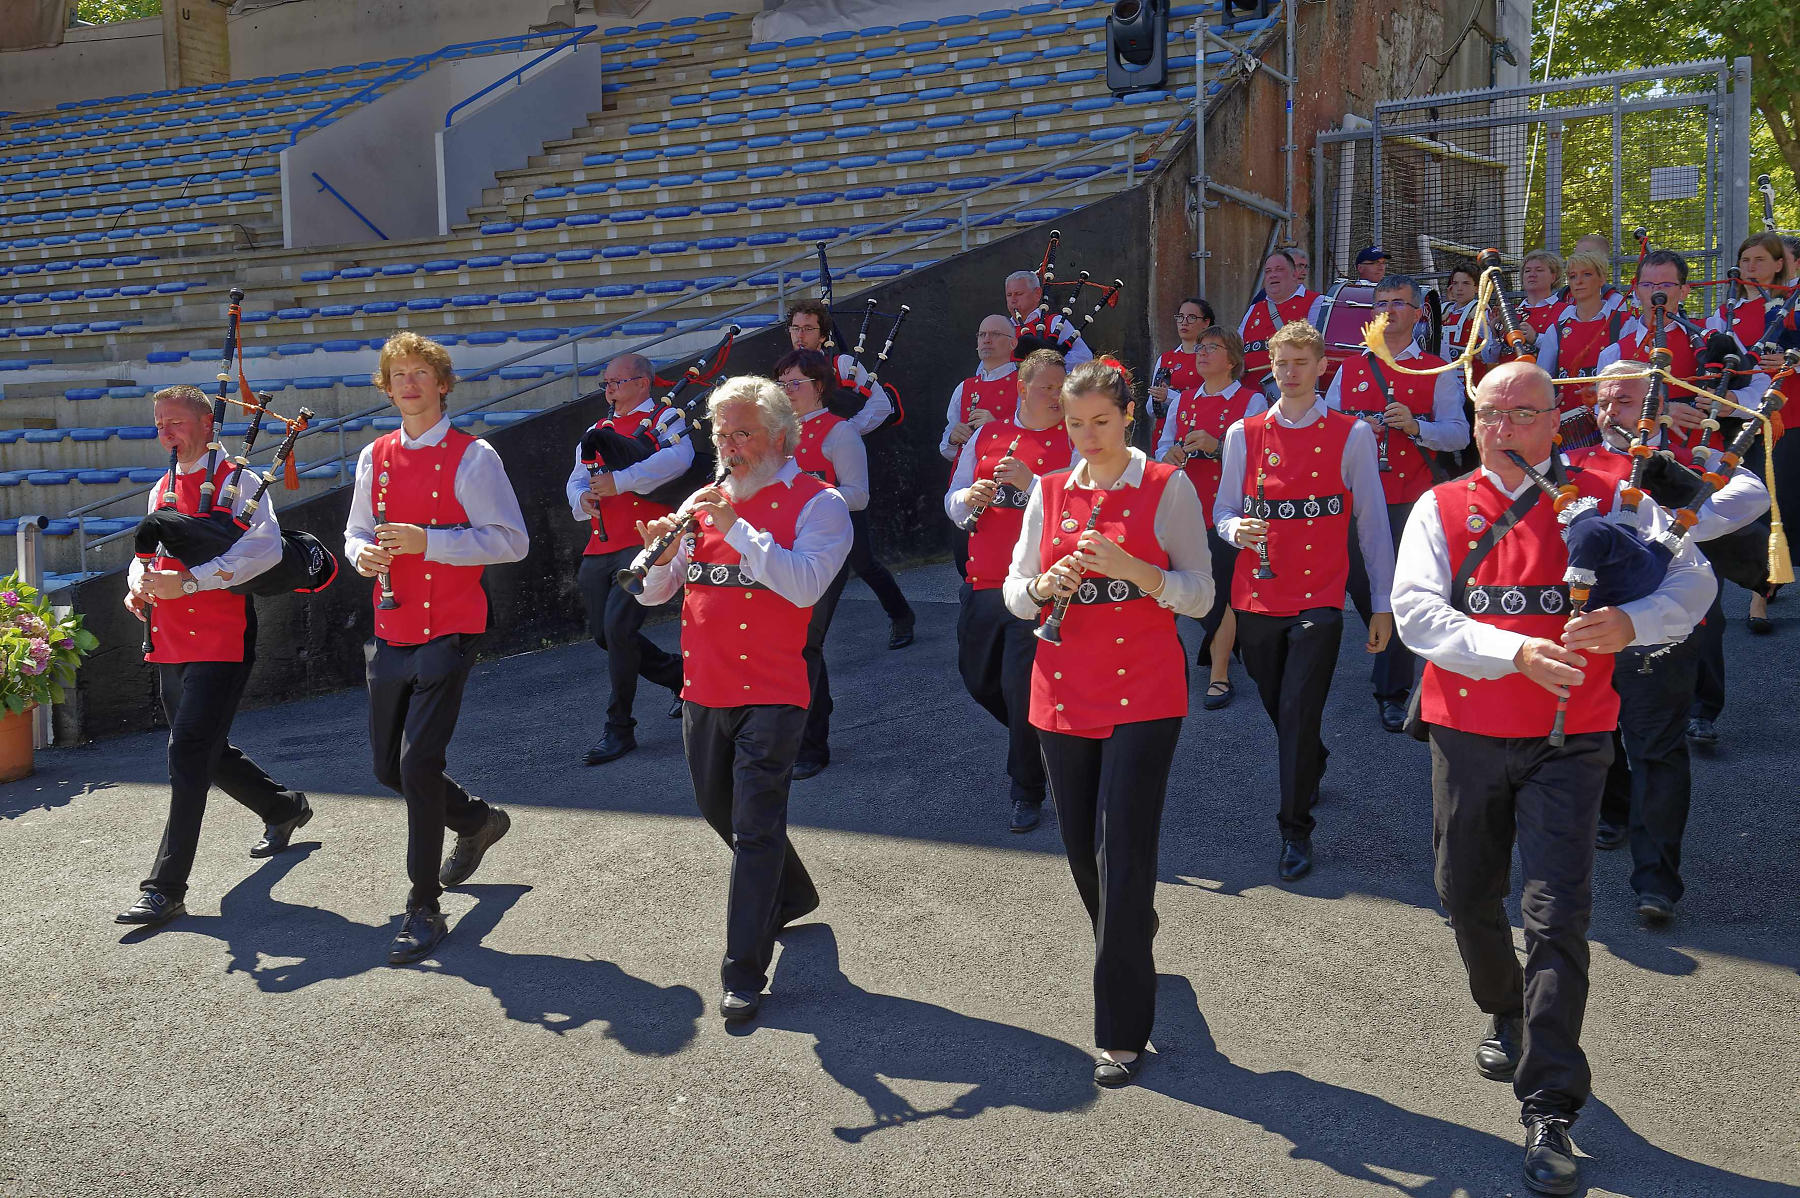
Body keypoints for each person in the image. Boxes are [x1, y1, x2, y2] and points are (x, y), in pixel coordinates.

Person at [1392, 360, 1713, 1197]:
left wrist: (1633, 620)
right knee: (1464, 892)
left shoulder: (1613, 493)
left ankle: (1550, 1105)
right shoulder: (1441, 504)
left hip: (1573, 739)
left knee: (1558, 914)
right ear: (1475, 417)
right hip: (1466, 728)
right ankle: (1503, 1007)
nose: (1503, 428)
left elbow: (1695, 581)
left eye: (1523, 414)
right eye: (1490, 413)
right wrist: (1519, 651)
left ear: (1553, 418)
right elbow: (1420, 611)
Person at [1002, 356, 1213, 1088]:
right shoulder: (1051, 491)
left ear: (1128, 416)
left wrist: (1137, 569)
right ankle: (1132, 932)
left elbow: (1199, 593)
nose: (1087, 437)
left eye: (1101, 422)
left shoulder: (1166, 486)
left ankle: (1120, 1029)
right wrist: (1039, 586)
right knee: (1080, 852)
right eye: (1074, 423)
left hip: (1146, 694)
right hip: (1060, 689)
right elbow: (1013, 592)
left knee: (1125, 853)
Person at [632, 375, 852, 1023]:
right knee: (717, 810)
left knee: (755, 828)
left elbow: (805, 585)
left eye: (743, 433)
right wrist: (659, 554)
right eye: (722, 434)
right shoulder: (704, 503)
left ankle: (743, 971)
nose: (730, 447)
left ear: (780, 436)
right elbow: (655, 593)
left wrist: (740, 527)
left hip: (775, 691)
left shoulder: (821, 504)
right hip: (705, 687)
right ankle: (795, 892)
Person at [345, 332, 529, 966]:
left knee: (418, 763)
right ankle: (477, 822)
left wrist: (431, 542)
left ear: (443, 383)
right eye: (398, 374)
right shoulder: (374, 456)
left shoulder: (473, 457)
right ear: (387, 386)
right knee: (386, 769)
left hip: (450, 625)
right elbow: (355, 533)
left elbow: (511, 542)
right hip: (391, 626)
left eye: (420, 372)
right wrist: (362, 555)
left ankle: (422, 907)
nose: (409, 383)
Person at [1573, 361, 1768, 920]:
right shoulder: (1576, 460)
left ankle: (1655, 882)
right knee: (1598, 735)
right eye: (1606, 401)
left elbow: (1748, 500)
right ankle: (1614, 814)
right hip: (1596, 626)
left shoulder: (1692, 455)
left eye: (1628, 401)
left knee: (1657, 748)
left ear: (1657, 405)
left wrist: (1682, 487)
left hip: (1667, 622)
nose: (1613, 412)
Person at [115, 385, 313, 931]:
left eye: (175, 423)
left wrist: (195, 582)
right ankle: (282, 807)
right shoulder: (163, 487)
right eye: (159, 425)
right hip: (170, 636)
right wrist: (139, 587)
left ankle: (165, 887)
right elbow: (145, 555)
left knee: (188, 752)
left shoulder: (242, 482)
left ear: (207, 425)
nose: (165, 433)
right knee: (205, 747)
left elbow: (263, 551)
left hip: (223, 637)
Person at [1215, 321, 1394, 881]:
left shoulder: (1352, 434)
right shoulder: (1243, 434)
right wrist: (1234, 530)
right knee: (1279, 705)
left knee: (1296, 709)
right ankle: (1310, 758)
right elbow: (1221, 511)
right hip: (1257, 593)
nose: (1290, 372)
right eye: (1281, 362)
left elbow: (1372, 523)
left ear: (1321, 367)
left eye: (1301, 362)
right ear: (1269, 366)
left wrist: (1382, 603)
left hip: (1319, 596)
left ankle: (1294, 830)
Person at [1325, 275, 1471, 731]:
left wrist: (1414, 426)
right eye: (1381, 303)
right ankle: (1396, 637)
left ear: (1417, 312)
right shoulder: (1350, 368)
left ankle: (1392, 688)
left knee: (1396, 588)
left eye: (1399, 303)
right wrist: (1354, 427)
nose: (1388, 311)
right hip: (1355, 497)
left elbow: (1460, 435)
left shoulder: (1436, 369)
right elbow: (1327, 427)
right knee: (1360, 584)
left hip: (1410, 496)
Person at [946, 348, 1076, 831]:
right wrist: (967, 498)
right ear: (1022, 389)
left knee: (1020, 689)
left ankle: (1026, 789)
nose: (1058, 397)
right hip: (983, 581)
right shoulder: (986, 433)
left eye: (1062, 388)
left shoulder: (1073, 441)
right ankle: (1046, 739)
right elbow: (953, 500)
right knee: (978, 680)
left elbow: (1075, 512)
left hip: (1037, 587)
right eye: (1048, 387)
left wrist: (1032, 486)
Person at [565, 353, 690, 766]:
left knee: (618, 631)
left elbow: (677, 460)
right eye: (605, 384)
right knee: (606, 636)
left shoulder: (665, 418)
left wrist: (619, 481)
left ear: (642, 382)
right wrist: (583, 497)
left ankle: (619, 727)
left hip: (643, 542)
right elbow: (577, 479)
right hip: (600, 544)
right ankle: (679, 676)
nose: (609, 391)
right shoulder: (595, 429)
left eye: (615, 383)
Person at [786, 298, 916, 649]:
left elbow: (881, 403)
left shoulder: (842, 364)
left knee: (862, 560)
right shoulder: (787, 373)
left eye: (808, 328)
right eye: (795, 327)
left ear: (823, 333)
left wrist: (846, 431)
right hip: (796, 475)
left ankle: (901, 614)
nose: (801, 335)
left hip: (837, 470)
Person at [776, 347, 872, 781]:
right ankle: (814, 715)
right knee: (794, 643)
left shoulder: (840, 433)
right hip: (779, 551)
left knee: (805, 642)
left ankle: (812, 744)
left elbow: (859, 495)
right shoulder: (774, 433)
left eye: (795, 383)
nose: (787, 391)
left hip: (826, 550)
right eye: (781, 384)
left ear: (819, 387)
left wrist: (816, 494)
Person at [1157, 326, 1265, 708]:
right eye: (1199, 348)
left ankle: (1219, 675)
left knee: (1220, 593)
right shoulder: (1182, 400)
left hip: (1225, 510)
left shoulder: (1251, 402)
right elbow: (1163, 446)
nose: (1201, 353)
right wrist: (1167, 455)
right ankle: (1162, 669)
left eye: (1211, 347)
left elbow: (1260, 457)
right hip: (1183, 509)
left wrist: (1218, 447)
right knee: (1168, 589)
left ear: (1232, 359)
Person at [1704, 231, 1795, 636]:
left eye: (1760, 259)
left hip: (1786, 415)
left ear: (1780, 264)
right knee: (1753, 500)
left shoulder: (1792, 310)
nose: (1750, 266)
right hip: (1736, 420)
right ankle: (1761, 586)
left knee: (1781, 502)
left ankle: (1768, 585)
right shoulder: (1723, 314)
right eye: (1746, 259)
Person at [1544, 250, 1628, 411]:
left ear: (1602, 279)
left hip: (1612, 417)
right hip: (1566, 421)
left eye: (1587, 274)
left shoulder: (1624, 323)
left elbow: (1632, 378)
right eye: (1573, 276)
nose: (1578, 281)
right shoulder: (1557, 329)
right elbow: (1542, 378)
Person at [1237, 250, 1325, 395]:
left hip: (1291, 394)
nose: (1273, 274)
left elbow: (1317, 348)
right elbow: (1236, 346)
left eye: (1279, 269)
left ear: (1294, 274)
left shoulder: (1316, 302)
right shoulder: (1254, 308)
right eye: (1268, 271)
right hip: (1251, 396)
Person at [940, 314, 1020, 462]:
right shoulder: (964, 387)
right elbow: (946, 450)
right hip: (963, 481)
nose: (987, 339)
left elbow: (1033, 440)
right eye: (982, 334)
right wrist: (953, 438)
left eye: (995, 334)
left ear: (1013, 343)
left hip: (1002, 478)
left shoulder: (1024, 386)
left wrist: (996, 428)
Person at [1147, 297, 1214, 449]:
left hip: (1195, 436)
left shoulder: (1209, 357)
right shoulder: (1165, 358)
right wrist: (1158, 399)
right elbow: (1150, 408)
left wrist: (1169, 397)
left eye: (1191, 317)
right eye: (1180, 317)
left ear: (1206, 322)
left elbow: (1211, 402)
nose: (1184, 322)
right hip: (1163, 436)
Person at [1004, 269, 1094, 366]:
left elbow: (1084, 357)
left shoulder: (1054, 323)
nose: (1012, 300)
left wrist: (1051, 366)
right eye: (1009, 295)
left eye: (1019, 294)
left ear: (1037, 294)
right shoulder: (1001, 329)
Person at [1517, 249, 1564, 337]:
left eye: (1539, 270)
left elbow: (1567, 346)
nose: (1532, 274)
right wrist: (1494, 332)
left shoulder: (1567, 311)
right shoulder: (1510, 312)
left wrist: (1535, 338)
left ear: (1553, 277)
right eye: (1527, 271)